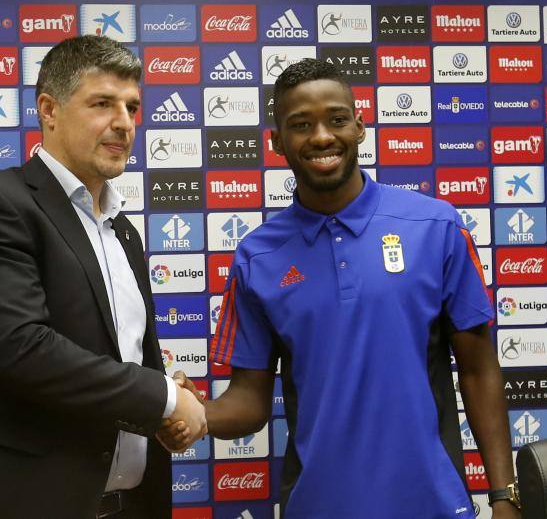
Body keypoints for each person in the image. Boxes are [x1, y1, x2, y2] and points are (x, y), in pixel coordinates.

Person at [160, 59, 520, 519]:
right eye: (301, 124)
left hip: (430, 504)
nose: (322, 137)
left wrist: (504, 495)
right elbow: (250, 400)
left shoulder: (435, 225)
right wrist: (200, 412)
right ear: (277, 142)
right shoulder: (258, 256)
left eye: (336, 119)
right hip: (318, 506)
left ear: (360, 126)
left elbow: (478, 370)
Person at [0, 35, 206, 519]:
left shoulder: (123, 231)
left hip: (131, 506)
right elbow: (23, 350)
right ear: (49, 110)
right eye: (102, 103)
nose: (123, 122)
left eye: (132, 107)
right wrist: (163, 398)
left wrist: (164, 398)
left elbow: (114, 358)